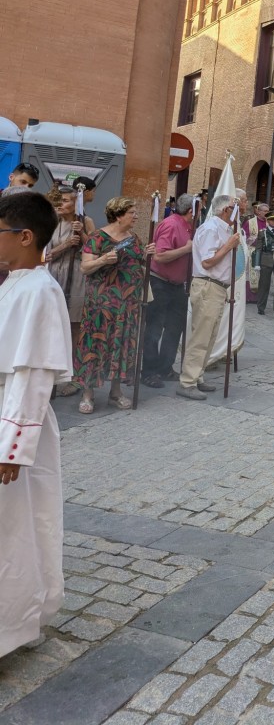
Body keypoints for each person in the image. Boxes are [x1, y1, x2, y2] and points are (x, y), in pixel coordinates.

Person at [0, 190, 71, 659]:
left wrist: (12, 447)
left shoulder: (40, 291)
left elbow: (33, 373)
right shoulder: (15, 284)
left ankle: (10, 628)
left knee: (14, 529)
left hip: (11, 425)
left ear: (26, 237)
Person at [73, 197, 156, 414]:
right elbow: (85, 268)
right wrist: (102, 260)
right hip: (101, 306)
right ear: (118, 215)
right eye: (132, 212)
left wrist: (146, 255)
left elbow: (138, 262)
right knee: (95, 348)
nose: (136, 215)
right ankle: (88, 394)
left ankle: (115, 392)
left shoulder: (133, 238)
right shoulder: (97, 238)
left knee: (121, 347)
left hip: (127, 306)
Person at [177, 194, 239, 400]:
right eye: (234, 207)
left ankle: (197, 376)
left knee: (210, 335)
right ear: (226, 210)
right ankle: (188, 381)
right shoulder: (211, 229)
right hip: (208, 285)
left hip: (217, 287)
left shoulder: (223, 228)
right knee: (201, 336)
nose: (238, 210)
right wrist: (228, 246)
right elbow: (207, 262)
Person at [141, 193, 194, 388]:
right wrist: (186, 250)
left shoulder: (187, 225)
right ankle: (149, 371)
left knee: (174, 328)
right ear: (191, 211)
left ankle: (165, 367)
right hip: (160, 283)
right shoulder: (171, 224)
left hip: (177, 285)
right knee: (154, 328)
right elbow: (159, 256)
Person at [45, 185, 95, 392]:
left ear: (76, 203)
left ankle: (71, 375)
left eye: (65, 200)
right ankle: (51, 371)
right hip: (54, 274)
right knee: (52, 323)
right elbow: (45, 255)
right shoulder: (50, 222)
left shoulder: (85, 221)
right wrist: (65, 245)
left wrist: (82, 234)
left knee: (74, 326)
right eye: (59, 200)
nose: (60, 204)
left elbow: (94, 249)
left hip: (76, 277)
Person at [251, 210, 274, 319]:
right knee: (264, 284)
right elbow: (258, 248)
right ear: (268, 221)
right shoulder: (263, 232)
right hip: (266, 259)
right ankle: (261, 306)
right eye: (272, 220)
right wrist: (257, 263)